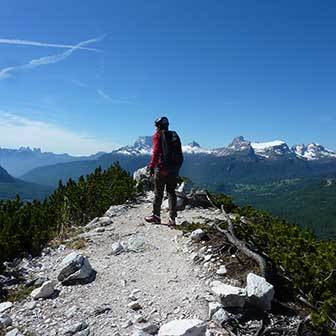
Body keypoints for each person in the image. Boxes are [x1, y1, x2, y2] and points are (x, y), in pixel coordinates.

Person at [145, 117, 183, 225]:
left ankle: (156, 216)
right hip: (173, 169)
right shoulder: (174, 135)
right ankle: (172, 218)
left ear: (159, 126)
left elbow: (156, 152)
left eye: (156, 126)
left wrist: (152, 166)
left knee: (158, 193)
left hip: (161, 169)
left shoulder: (158, 136)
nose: (155, 128)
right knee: (171, 193)